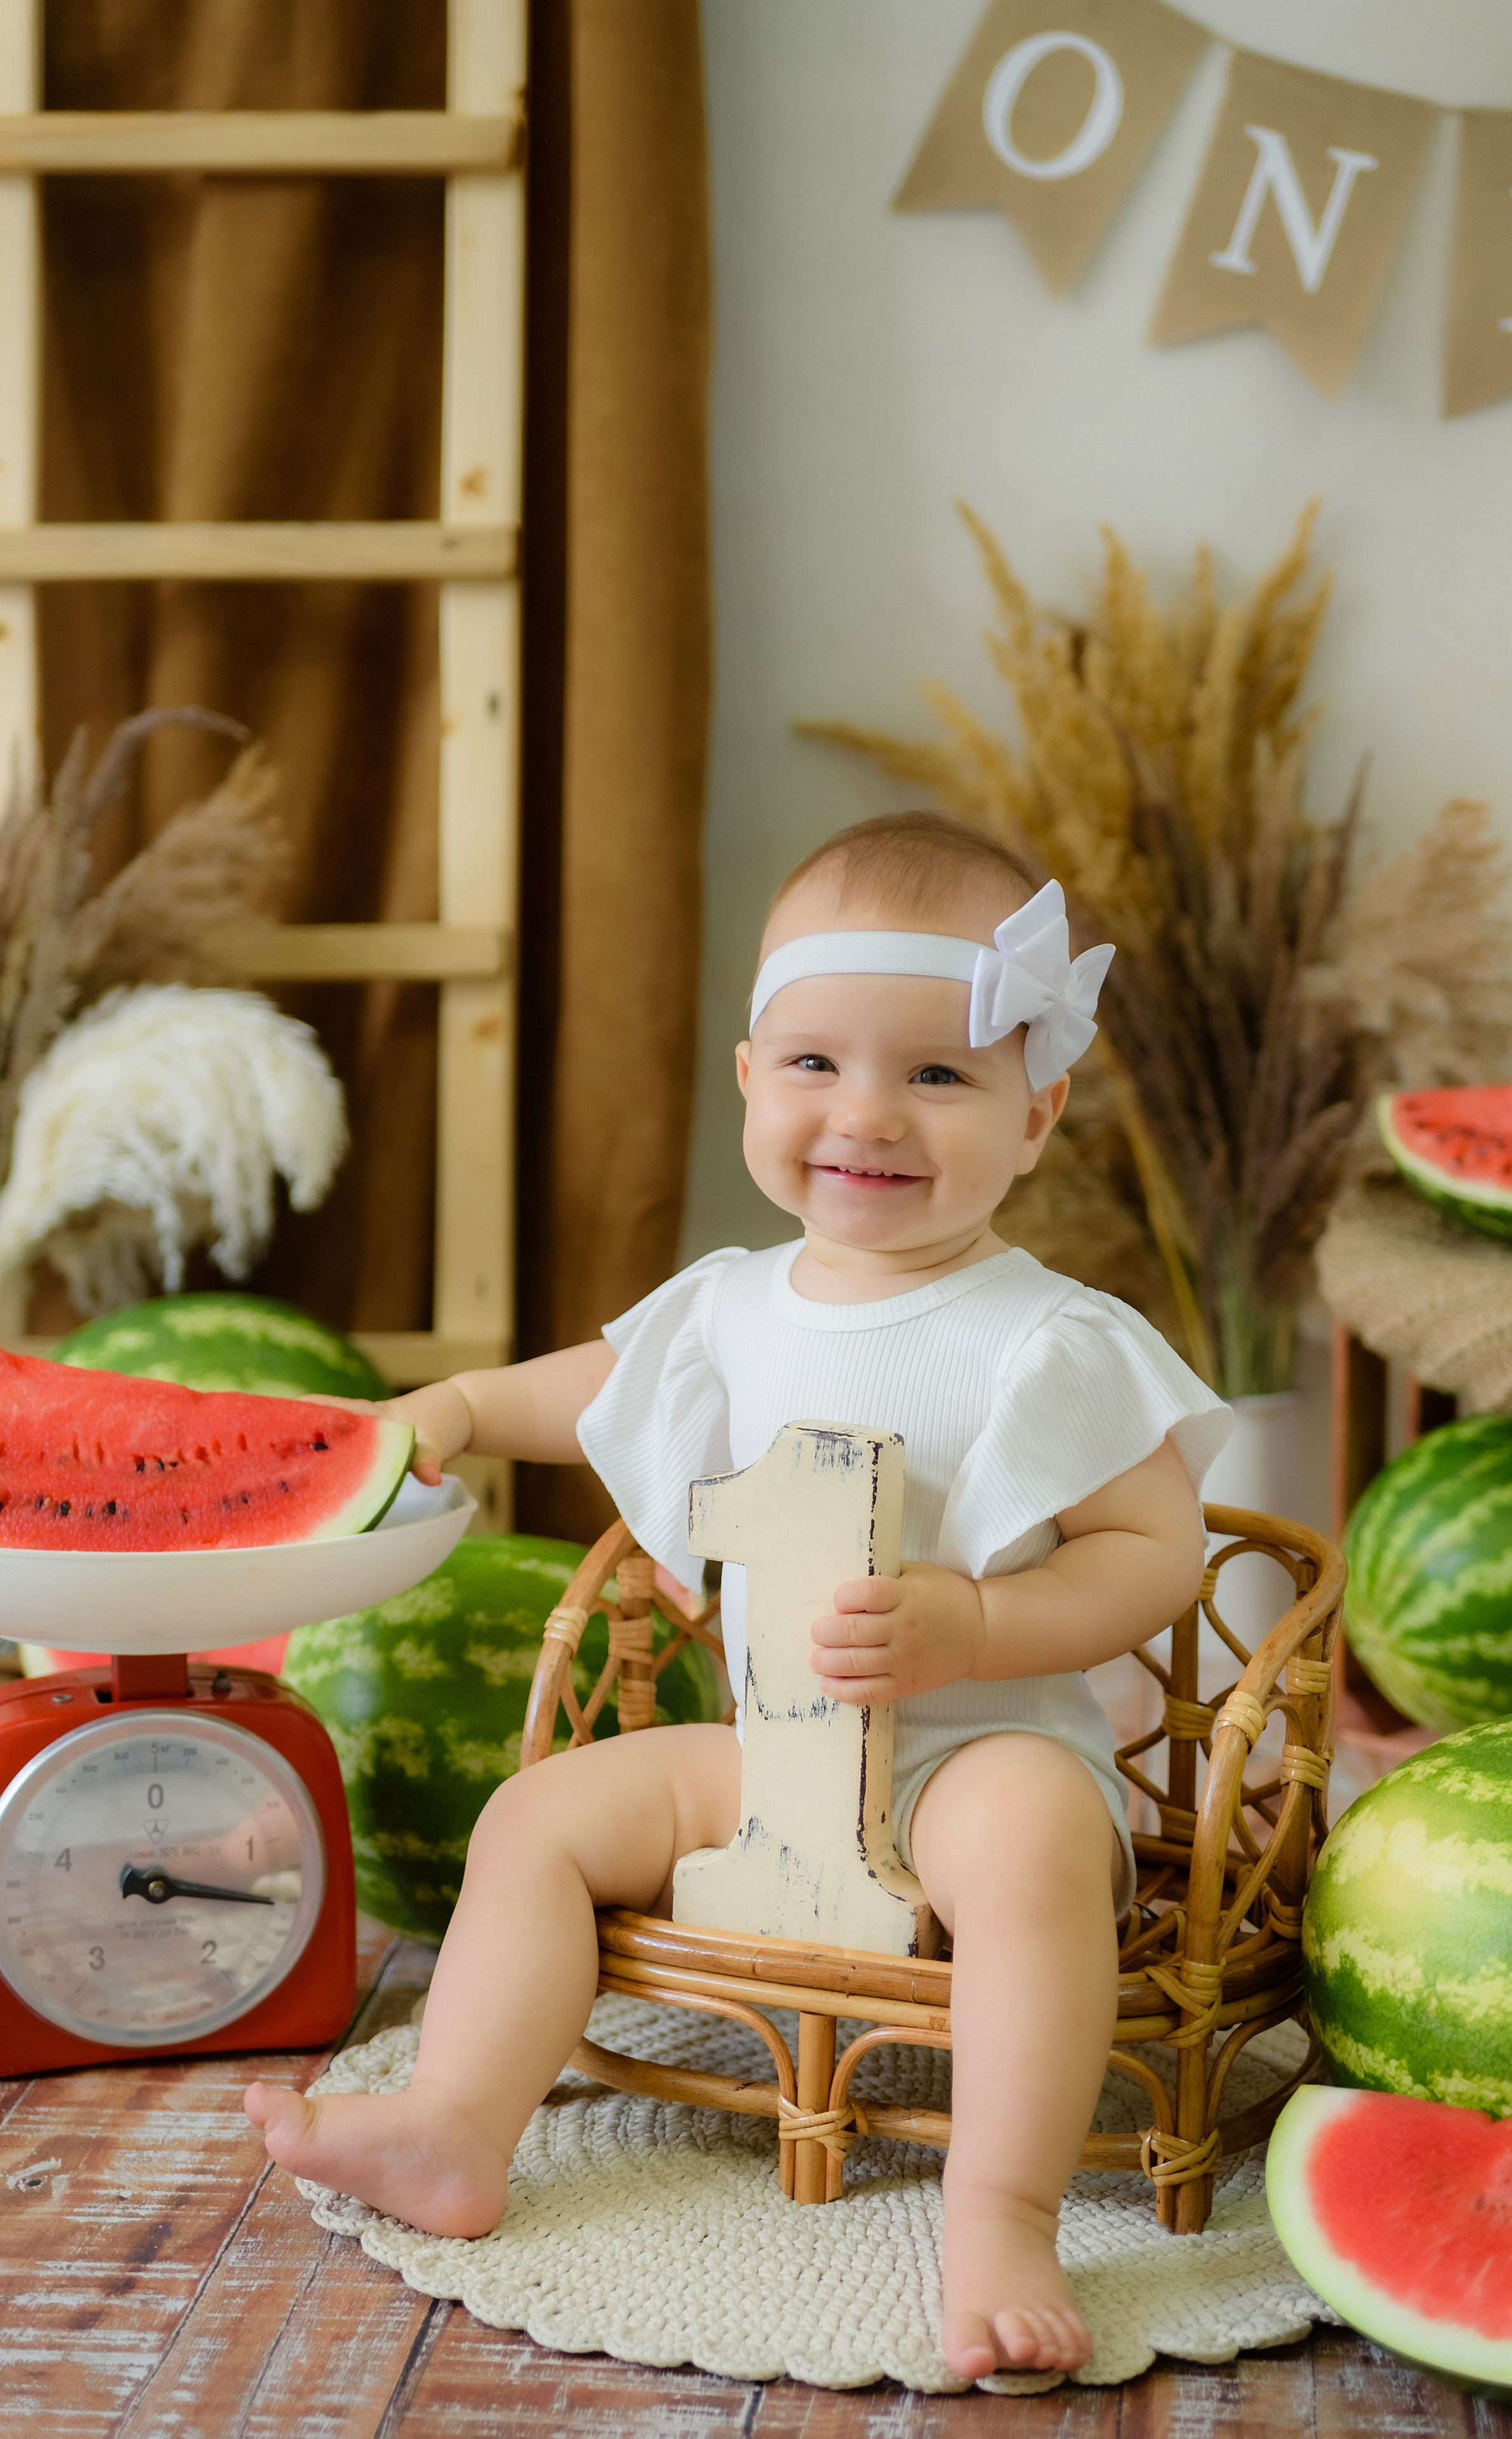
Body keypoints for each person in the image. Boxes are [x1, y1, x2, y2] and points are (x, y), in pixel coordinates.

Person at [246, 810, 1228, 2380]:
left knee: (1035, 1839)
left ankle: (996, 2205)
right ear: (748, 1078)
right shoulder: (725, 1305)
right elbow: (586, 1390)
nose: (869, 1114)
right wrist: (451, 1408)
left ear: (1035, 1113)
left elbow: (1149, 1557)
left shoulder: (1050, 1337)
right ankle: (455, 2122)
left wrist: (971, 1626)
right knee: (542, 1817)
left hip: (964, 1763)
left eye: (937, 1074)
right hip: (767, 1763)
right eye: (817, 1065)